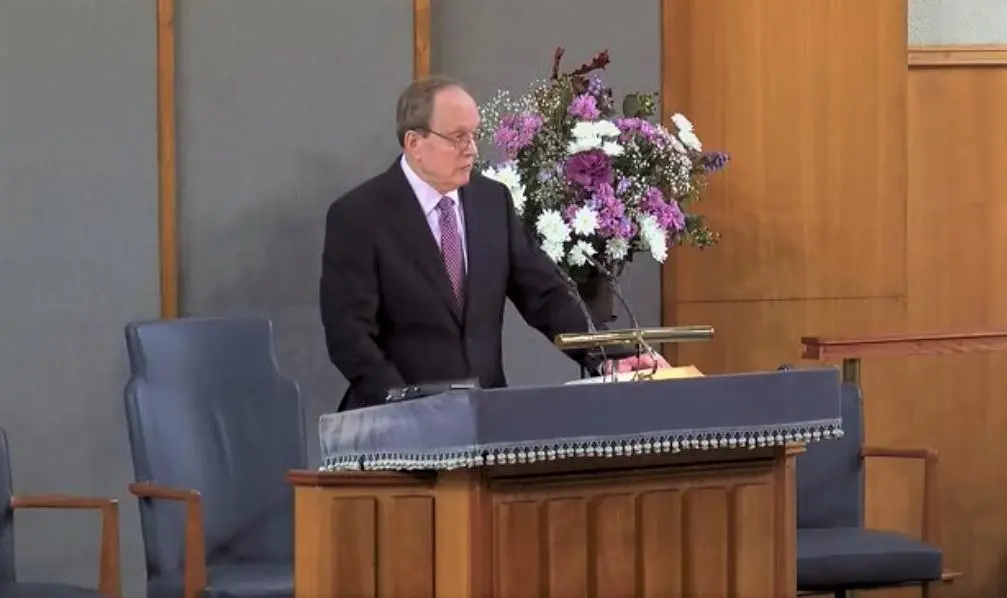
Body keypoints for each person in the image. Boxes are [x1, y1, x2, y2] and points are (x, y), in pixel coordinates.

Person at [320, 75, 669, 411]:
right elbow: (349, 336)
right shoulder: (360, 216)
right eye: (458, 137)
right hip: (395, 426)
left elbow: (545, 296)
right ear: (415, 144)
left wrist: (613, 357)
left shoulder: (491, 202)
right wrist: (402, 405)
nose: (471, 150)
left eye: (474, 135)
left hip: (485, 418)